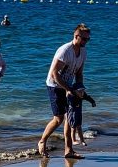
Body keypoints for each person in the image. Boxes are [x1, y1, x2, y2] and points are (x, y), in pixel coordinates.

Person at [38, 23, 91, 159]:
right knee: (59, 119)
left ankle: (69, 150)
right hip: (54, 85)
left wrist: (80, 88)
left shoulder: (83, 51)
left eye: (88, 39)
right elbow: (54, 74)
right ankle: (42, 141)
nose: (86, 41)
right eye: (84, 39)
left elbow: (79, 73)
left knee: (69, 118)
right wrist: (68, 89)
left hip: (68, 86)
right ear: (76, 36)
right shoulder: (65, 51)